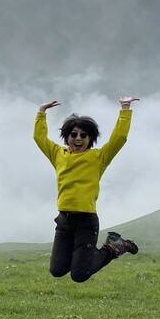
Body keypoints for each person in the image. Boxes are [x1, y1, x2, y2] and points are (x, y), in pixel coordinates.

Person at [33, 96, 140, 283]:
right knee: (57, 270)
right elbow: (39, 137)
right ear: (66, 137)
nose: (78, 138)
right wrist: (41, 113)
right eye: (73, 134)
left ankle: (114, 247)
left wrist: (125, 109)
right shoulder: (58, 154)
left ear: (90, 138)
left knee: (79, 275)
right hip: (64, 222)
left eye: (84, 135)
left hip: (86, 222)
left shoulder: (98, 157)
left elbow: (119, 138)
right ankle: (90, 253)